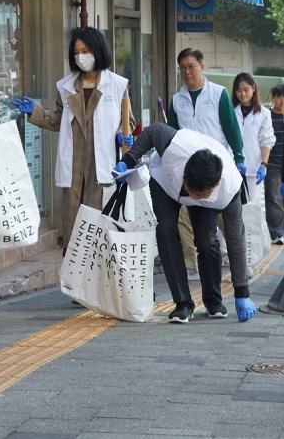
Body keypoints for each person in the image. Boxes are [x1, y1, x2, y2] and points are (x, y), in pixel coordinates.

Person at [113, 123, 257, 324]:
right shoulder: (175, 147)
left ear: (215, 185)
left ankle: (213, 300)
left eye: (198, 194)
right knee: (165, 229)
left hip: (207, 197)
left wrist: (242, 292)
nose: (192, 196)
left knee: (206, 240)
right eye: (190, 189)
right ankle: (182, 303)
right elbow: (153, 131)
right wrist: (128, 160)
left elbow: (236, 240)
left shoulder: (230, 189)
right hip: (165, 183)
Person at [12, 27, 133, 251]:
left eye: (85, 50)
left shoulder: (117, 85)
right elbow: (58, 120)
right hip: (74, 163)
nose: (80, 57)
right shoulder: (65, 86)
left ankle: (98, 281)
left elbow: (127, 121)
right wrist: (35, 112)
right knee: (74, 228)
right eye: (76, 52)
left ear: (97, 50)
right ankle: (75, 282)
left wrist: (121, 136)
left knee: (99, 228)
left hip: (101, 165)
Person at [168, 48, 246, 279]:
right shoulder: (176, 100)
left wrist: (239, 157)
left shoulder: (218, 94)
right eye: (182, 67)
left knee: (226, 219)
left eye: (191, 66)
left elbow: (232, 128)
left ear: (201, 66)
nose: (186, 72)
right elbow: (172, 133)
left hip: (216, 167)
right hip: (188, 169)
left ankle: (238, 263)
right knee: (185, 218)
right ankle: (191, 265)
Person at [232, 72, 275, 202]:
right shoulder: (230, 111)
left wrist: (263, 165)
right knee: (231, 208)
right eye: (239, 90)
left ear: (254, 88)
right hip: (231, 167)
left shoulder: (264, 114)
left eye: (246, 90)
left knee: (250, 207)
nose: (243, 94)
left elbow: (266, 140)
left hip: (253, 169)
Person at [265, 83, 284, 244]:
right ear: (273, 98)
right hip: (273, 164)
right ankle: (277, 233)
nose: (282, 100)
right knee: (274, 199)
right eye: (278, 97)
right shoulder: (267, 115)